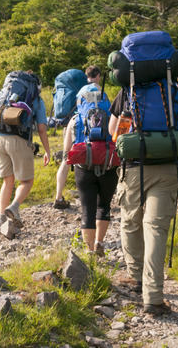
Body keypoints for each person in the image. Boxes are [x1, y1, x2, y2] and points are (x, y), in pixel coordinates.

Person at [108, 83, 178, 315]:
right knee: (156, 230)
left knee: (130, 221)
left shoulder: (127, 92)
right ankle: (154, 298)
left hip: (133, 170)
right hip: (167, 169)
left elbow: (113, 131)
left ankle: (136, 276)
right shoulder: (177, 93)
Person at [62, 84, 118, 256]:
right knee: (104, 206)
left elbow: (66, 151)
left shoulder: (75, 119)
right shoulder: (112, 117)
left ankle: (90, 251)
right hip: (109, 166)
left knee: (87, 209)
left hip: (83, 168)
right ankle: (100, 242)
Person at [0, 71, 51, 236]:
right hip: (18, 140)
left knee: (7, 181)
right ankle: (14, 207)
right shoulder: (36, 100)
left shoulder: (6, 95)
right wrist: (47, 151)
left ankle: (0, 221)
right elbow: (41, 129)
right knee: (27, 181)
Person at [53, 66, 102, 209]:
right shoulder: (94, 89)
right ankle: (92, 197)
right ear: (98, 75)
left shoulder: (78, 89)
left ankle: (58, 197)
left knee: (66, 160)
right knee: (92, 158)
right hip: (85, 127)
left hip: (69, 123)